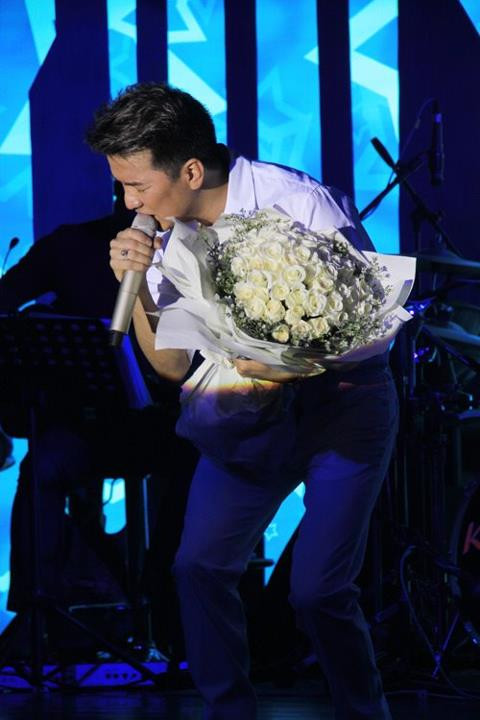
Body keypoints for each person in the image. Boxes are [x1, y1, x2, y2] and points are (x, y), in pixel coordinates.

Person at [86, 82, 398, 720]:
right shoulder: (162, 236)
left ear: (190, 171)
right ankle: (230, 710)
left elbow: (370, 327)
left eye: (137, 186)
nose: (128, 203)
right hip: (243, 411)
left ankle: (363, 712)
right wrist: (136, 285)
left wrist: (294, 361)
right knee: (198, 567)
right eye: (122, 187)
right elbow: (172, 366)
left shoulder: (297, 201)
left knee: (318, 590)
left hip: (342, 405)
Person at [0, 200, 196, 655]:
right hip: (89, 422)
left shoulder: (193, 246)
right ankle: (39, 611)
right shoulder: (72, 244)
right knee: (42, 466)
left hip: (174, 423)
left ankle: (165, 609)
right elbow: (6, 302)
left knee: (195, 465)